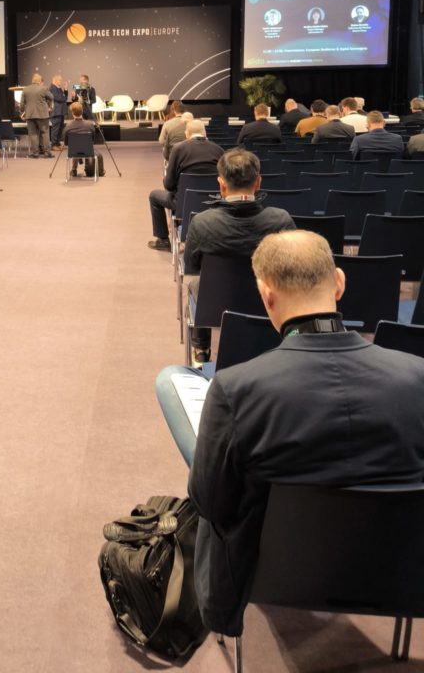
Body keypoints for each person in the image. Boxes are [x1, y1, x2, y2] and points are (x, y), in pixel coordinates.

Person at [158, 229, 424, 637]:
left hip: (267, 572)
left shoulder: (237, 388)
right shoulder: (417, 377)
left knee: (173, 383)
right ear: (339, 284)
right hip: (400, 573)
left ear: (266, 296)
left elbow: (209, 502)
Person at [182, 149, 294, 366]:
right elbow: (292, 265)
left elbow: (192, 265)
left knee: (197, 284)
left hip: (218, 303)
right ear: (258, 182)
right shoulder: (281, 220)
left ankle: (202, 350)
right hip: (270, 301)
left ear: (221, 185)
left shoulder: (202, 222)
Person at [147, 120, 223, 251]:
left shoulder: (178, 149)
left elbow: (169, 185)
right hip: (214, 203)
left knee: (154, 196)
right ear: (205, 132)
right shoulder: (219, 150)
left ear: (186, 134)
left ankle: (163, 240)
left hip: (182, 204)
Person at [20, 73, 53, 159]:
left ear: (32, 80)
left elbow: (22, 103)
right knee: (45, 133)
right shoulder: (43, 88)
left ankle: (35, 153)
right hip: (42, 115)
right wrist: (49, 106)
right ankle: (47, 153)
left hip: (30, 115)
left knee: (33, 134)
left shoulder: (25, 89)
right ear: (40, 81)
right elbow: (51, 97)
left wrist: (22, 112)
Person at [62, 101, 97, 176]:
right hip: (88, 151)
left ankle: (74, 170)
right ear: (82, 111)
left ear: (72, 113)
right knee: (85, 145)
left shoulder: (68, 126)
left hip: (73, 152)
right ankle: (88, 169)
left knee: (75, 146)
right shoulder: (90, 125)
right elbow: (93, 139)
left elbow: (66, 142)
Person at [49, 74, 68, 150]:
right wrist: (63, 96)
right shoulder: (53, 88)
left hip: (60, 112)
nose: (61, 81)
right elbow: (59, 98)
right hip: (56, 112)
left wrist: (65, 89)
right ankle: (53, 145)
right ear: (55, 80)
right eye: (60, 80)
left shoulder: (58, 88)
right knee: (56, 129)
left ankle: (57, 143)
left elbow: (65, 98)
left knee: (60, 129)